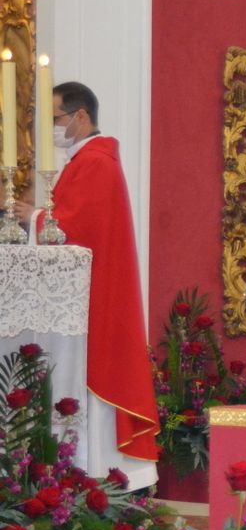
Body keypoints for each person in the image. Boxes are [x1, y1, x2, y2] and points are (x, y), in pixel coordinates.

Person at [22, 83, 160, 487]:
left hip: (95, 299)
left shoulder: (96, 162)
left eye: (56, 120)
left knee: (96, 384)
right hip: (78, 299)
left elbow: (77, 228)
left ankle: (100, 476)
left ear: (81, 116)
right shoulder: (85, 160)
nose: (52, 129)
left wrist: (34, 217)